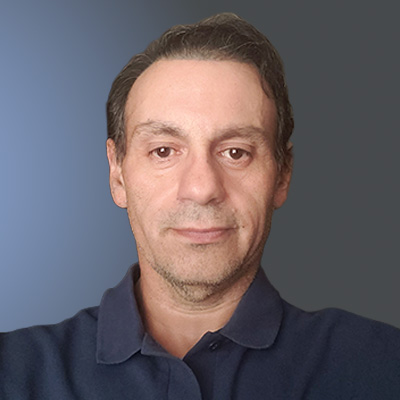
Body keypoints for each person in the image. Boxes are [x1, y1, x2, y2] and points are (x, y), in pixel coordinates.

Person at [1, 13, 399, 399]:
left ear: (282, 175)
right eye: (163, 151)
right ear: (117, 175)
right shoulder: (13, 373)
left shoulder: (382, 367)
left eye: (236, 152)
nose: (201, 188)